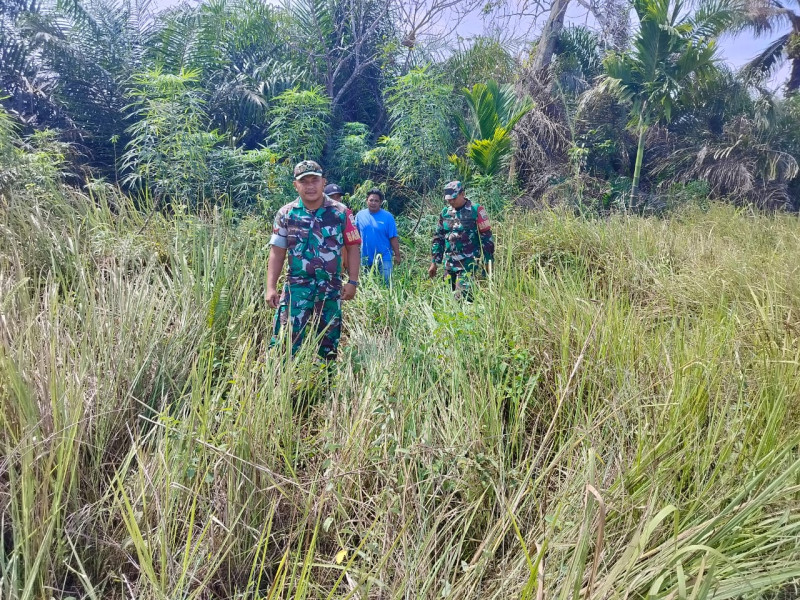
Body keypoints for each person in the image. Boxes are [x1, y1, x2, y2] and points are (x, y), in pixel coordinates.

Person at [266, 161, 361, 361]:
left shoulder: (341, 213)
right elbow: (277, 251)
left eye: (315, 180)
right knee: (285, 341)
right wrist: (270, 287)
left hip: (330, 288)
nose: (310, 186)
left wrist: (352, 282)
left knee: (328, 344)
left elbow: (353, 247)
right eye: (304, 181)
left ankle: (324, 385)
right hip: (296, 288)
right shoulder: (286, 214)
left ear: (323, 182)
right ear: (296, 185)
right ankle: (282, 384)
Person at [428, 180, 494, 300]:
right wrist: (434, 262)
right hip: (449, 265)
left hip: (467, 265)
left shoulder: (476, 210)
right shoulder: (445, 213)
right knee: (448, 301)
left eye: (454, 198)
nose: (451, 202)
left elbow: (487, 238)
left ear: (462, 194)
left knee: (462, 299)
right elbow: (438, 238)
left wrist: (488, 261)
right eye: (448, 200)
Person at [355, 188, 401, 284]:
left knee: (386, 284)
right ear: (366, 200)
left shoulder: (388, 217)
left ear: (380, 202)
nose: (373, 203)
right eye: (371, 200)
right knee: (368, 285)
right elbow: (356, 236)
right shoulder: (360, 216)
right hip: (366, 258)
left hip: (384, 257)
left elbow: (393, 237)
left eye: (376, 201)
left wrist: (397, 255)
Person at [324, 182, 349, 275]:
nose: (336, 200)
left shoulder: (344, 213)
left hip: (340, 262)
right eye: (332, 197)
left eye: (338, 197)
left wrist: (347, 264)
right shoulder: (317, 215)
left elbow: (349, 243)